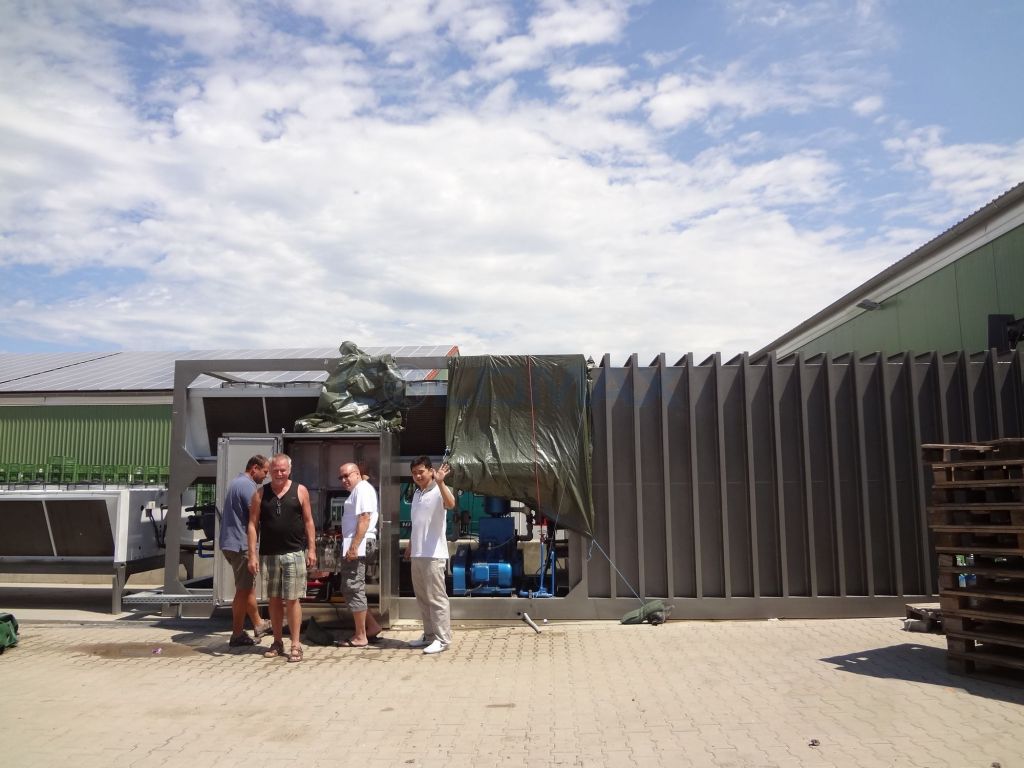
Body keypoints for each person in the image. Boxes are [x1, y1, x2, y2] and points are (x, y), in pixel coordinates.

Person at [247, 453, 316, 663]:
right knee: (274, 600)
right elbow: (252, 525)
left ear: (289, 470)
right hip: (269, 555)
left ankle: (296, 644)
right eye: (275, 470)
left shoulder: (300, 491)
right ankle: (277, 641)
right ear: (270, 471)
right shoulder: (260, 494)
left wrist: (312, 549)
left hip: (294, 553)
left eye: (283, 470)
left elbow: (309, 522)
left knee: (293, 599)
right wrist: (252, 554)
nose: (279, 473)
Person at [220, 454, 272, 646]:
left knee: (248, 587)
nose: (266, 476)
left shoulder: (237, 482)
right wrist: (252, 553)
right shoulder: (248, 487)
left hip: (230, 543)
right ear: (255, 468)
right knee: (243, 591)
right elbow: (256, 516)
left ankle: (258, 623)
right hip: (241, 545)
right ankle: (237, 634)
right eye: (265, 472)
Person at [406, 456, 456, 654]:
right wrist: (410, 546)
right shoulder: (418, 494)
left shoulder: (438, 490)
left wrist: (441, 482)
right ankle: (429, 635)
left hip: (434, 554)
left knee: (436, 598)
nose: (418, 475)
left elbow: (451, 504)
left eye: (421, 471)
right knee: (423, 598)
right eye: (414, 473)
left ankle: (443, 639)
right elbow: (417, 523)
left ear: (430, 471)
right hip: (418, 554)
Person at [337, 461, 383, 646]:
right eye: (341, 477)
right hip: (358, 543)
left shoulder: (362, 489)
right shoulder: (360, 490)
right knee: (352, 587)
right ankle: (370, 627)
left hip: (360, 544)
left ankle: (361, 635)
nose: (343, 480)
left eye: (347, 475)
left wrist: (354, 546)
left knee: (353, 586)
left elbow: (365, 518)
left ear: (357, 474)